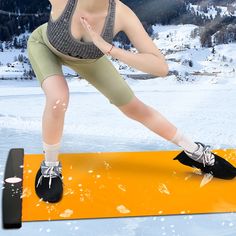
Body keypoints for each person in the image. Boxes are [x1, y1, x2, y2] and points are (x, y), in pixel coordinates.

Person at [26, 0, 236, 203]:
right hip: (45, 47)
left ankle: (195, 152)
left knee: (134, 107)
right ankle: (50, 167)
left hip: (91, 58)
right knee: (58, 98)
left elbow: (160, 67)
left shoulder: (121, 14)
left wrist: (110, 49)